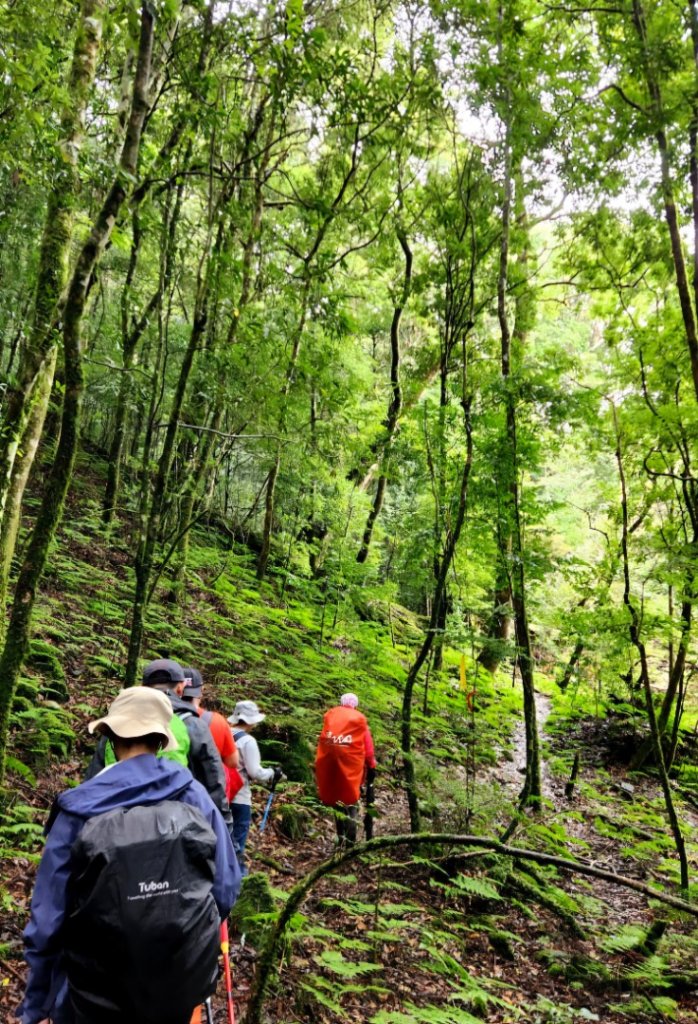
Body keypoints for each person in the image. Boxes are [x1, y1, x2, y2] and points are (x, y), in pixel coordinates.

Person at [18, 687, 240, 1024]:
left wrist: (37, 1004)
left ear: (109, 736)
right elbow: (225, 888)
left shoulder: (79, 808)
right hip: (174, 989)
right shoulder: (193, 795)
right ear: (161, 740)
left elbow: (48, 919)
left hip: (88, 996)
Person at [86, 659, 232, 833]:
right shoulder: (194, 726)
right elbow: (214, 784)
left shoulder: (117, 727)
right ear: (180, 688)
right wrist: (224, 831)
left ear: (143, 687)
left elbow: (92, 783)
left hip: (114, 827)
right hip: (176, 831)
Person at [227, 700, 283, 873]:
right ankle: (238, 882)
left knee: (223, 839)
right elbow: (255, 772)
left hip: (220, 793)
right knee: (237, 841)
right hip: (239, 796)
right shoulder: (247, 741)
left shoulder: (224, 734)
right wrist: (273, 773)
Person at [315, 692, 376, 845]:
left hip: (332, 770)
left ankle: (341, 838)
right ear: (355, 705)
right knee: (350, 802)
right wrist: (372, 765)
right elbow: (368, 751)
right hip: (351, 771)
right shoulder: (358, 722)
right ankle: (350, 844)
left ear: (341, 703)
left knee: (337, 803)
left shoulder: (333, 720)